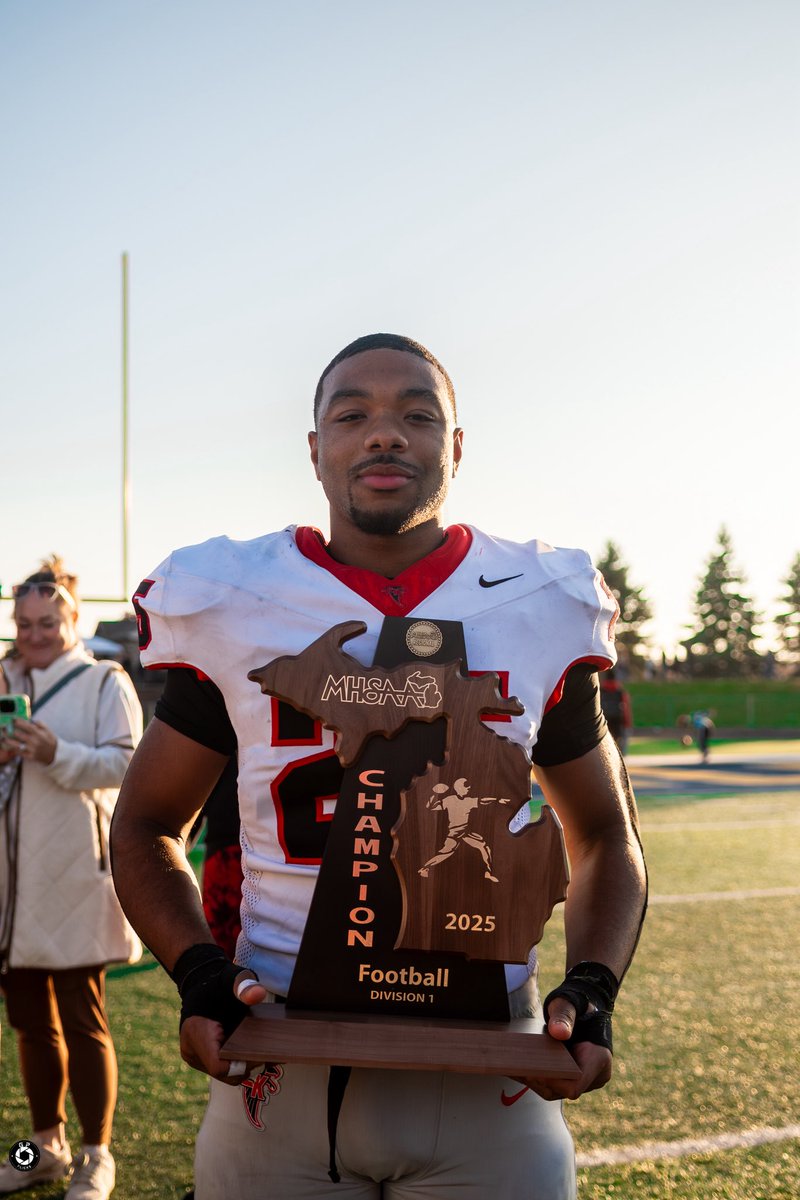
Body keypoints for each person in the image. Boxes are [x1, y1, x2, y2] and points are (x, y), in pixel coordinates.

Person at [110, 334, 648, 1200]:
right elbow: (144, 824)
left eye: (417, 414)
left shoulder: (540, 599)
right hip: (274, 1058)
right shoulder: (233, 598)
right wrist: (200, 971)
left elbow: (603, 835)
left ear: (457, 447)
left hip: (489, 1071)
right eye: (351, 414)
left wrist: (591, 987)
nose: (384, 434)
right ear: (315, 448)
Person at [0, 557, 143, 1200]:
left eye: (48, 622)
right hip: (10, 881)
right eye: (24, 622)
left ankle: (96, 1156)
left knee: (83, 1018)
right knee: (29, 1024)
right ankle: (41, 1149)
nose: (35, 634)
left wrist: (57, 753)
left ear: (72, 620)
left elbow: (129, 766)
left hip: (74, 871)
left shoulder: (104, 680)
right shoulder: (1, 677)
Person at [598, 667, 632, 755]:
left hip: (605, 718)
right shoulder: (619, 691)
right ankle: (620, 755)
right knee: (619, 739)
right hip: (618, 718)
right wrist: (627, 721)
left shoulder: (601, 690)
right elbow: (626, 708)